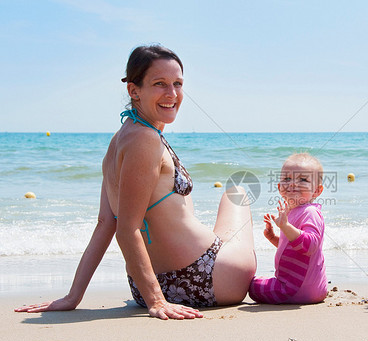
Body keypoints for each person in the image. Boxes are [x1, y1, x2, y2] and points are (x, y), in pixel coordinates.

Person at [15, 44, 256, 320]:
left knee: (202, 210)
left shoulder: (119, 140)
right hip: (207, 279)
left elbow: (107, 223)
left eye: (178, 84)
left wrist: (74, 296)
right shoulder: (145, 139)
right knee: (236, 192)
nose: (172, 94)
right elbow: (126, 229)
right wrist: (157, 302)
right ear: (134, 90)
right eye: (160, 84)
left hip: (144, 287)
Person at [249, 153, 328, 304]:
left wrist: (285, 226)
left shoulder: (310, 212)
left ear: (317, 191)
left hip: (294, 289)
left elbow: (310, 246)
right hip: (313, 288)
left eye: (303, 179)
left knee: (252, 285)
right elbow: (293, 247)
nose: (292, 183)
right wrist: (274, 238)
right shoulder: (292, 212)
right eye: (287, 179)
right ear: (279, 187)